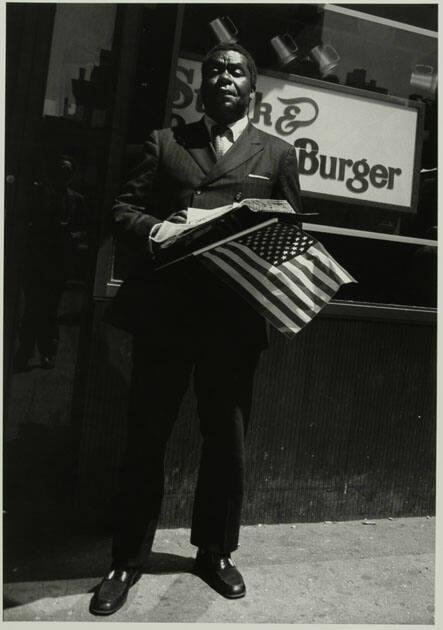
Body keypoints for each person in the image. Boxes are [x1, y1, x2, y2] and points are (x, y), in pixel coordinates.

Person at [90, 42, 304, 616]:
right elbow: (121, 211)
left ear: (251, 88)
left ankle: (215, 552)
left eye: (236, 70)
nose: (224, 77)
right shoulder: (166, 143)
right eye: (214, 70)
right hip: (166, 316)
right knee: (145, 439)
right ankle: (125, 560)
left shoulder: (278, 154)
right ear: (202, 84)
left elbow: (288, 236)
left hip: (232, 322)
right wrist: (158, 229)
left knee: (226, 443)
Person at [14, 154, 87, 371]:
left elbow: (85, 228)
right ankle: (27, 350)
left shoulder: (77, 200)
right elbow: (24, 221)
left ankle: (44, 352)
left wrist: (73, 237)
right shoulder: (38, 195)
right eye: (60, 171)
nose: (62, 176)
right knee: (33, 308)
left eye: (67, 172)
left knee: (49, 309)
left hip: (58, 261)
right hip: (37, 259)